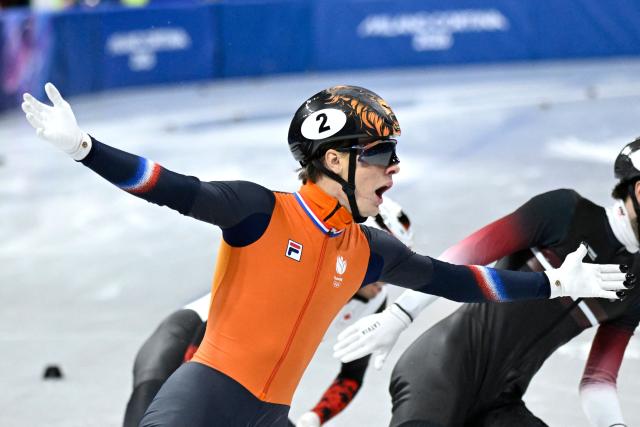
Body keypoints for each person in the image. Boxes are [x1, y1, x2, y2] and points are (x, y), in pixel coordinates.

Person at [21, 82, 627, 426]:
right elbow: (172, 188)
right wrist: (84, 147)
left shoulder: (367, 250)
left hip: (271, 415)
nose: (393, 168)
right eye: (379, 154)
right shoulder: (262, 210)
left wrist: (551, 283)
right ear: (334, 159)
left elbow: (460, 281)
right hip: (203, 401)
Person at [333, 138, 640, 427]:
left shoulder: (636, 283)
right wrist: (399, 315)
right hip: (441, 371)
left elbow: (599, 378)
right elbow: (463, 257)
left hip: (499, 404)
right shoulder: (566, 212)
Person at [122, 198, 413, 427]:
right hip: (188, 340)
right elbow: (206, 344)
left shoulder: (376, 303)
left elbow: (351, 376)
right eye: (383, 269)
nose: (387, 281)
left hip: (239, 374)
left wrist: (314, 417)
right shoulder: (303, 275)